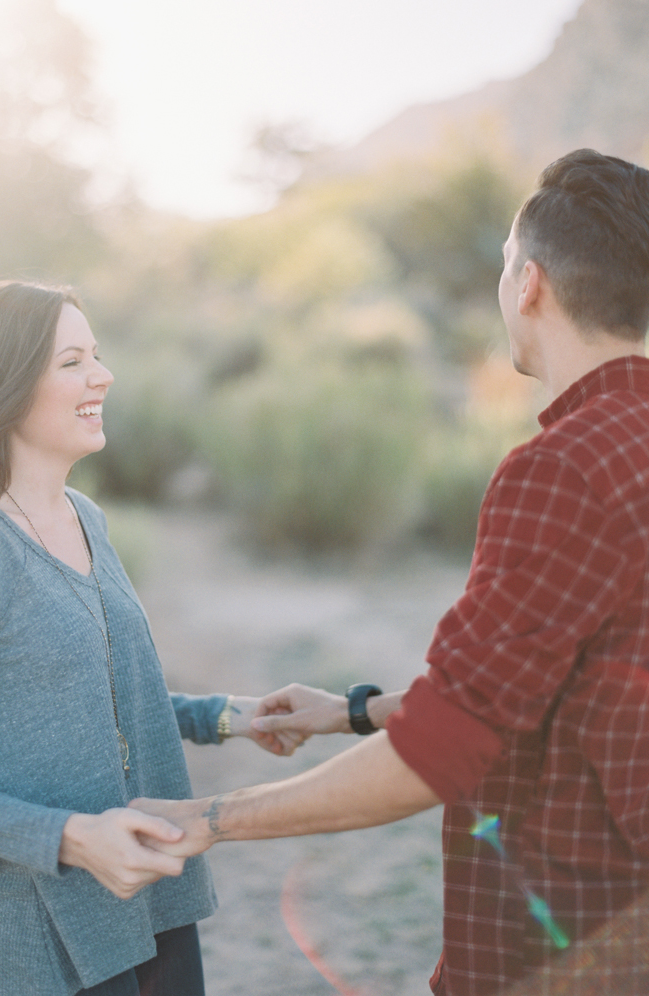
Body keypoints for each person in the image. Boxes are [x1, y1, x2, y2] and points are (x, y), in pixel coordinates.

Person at [130, 149, 649, 995]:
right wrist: (350, 712)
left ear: (530, 285)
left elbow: (443, 751)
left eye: (504, 267)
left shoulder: (561, 469)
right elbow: (533, 686)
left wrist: (209, 820)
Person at [0, 280, 301, 996]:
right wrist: (72, 839)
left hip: (156, 897)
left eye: (99, 355)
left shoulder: (86, 516)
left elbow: (92, 698)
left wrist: (227, 716)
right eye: (72, 361)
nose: (103, 375)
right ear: (3, 385)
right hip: (44, 932)